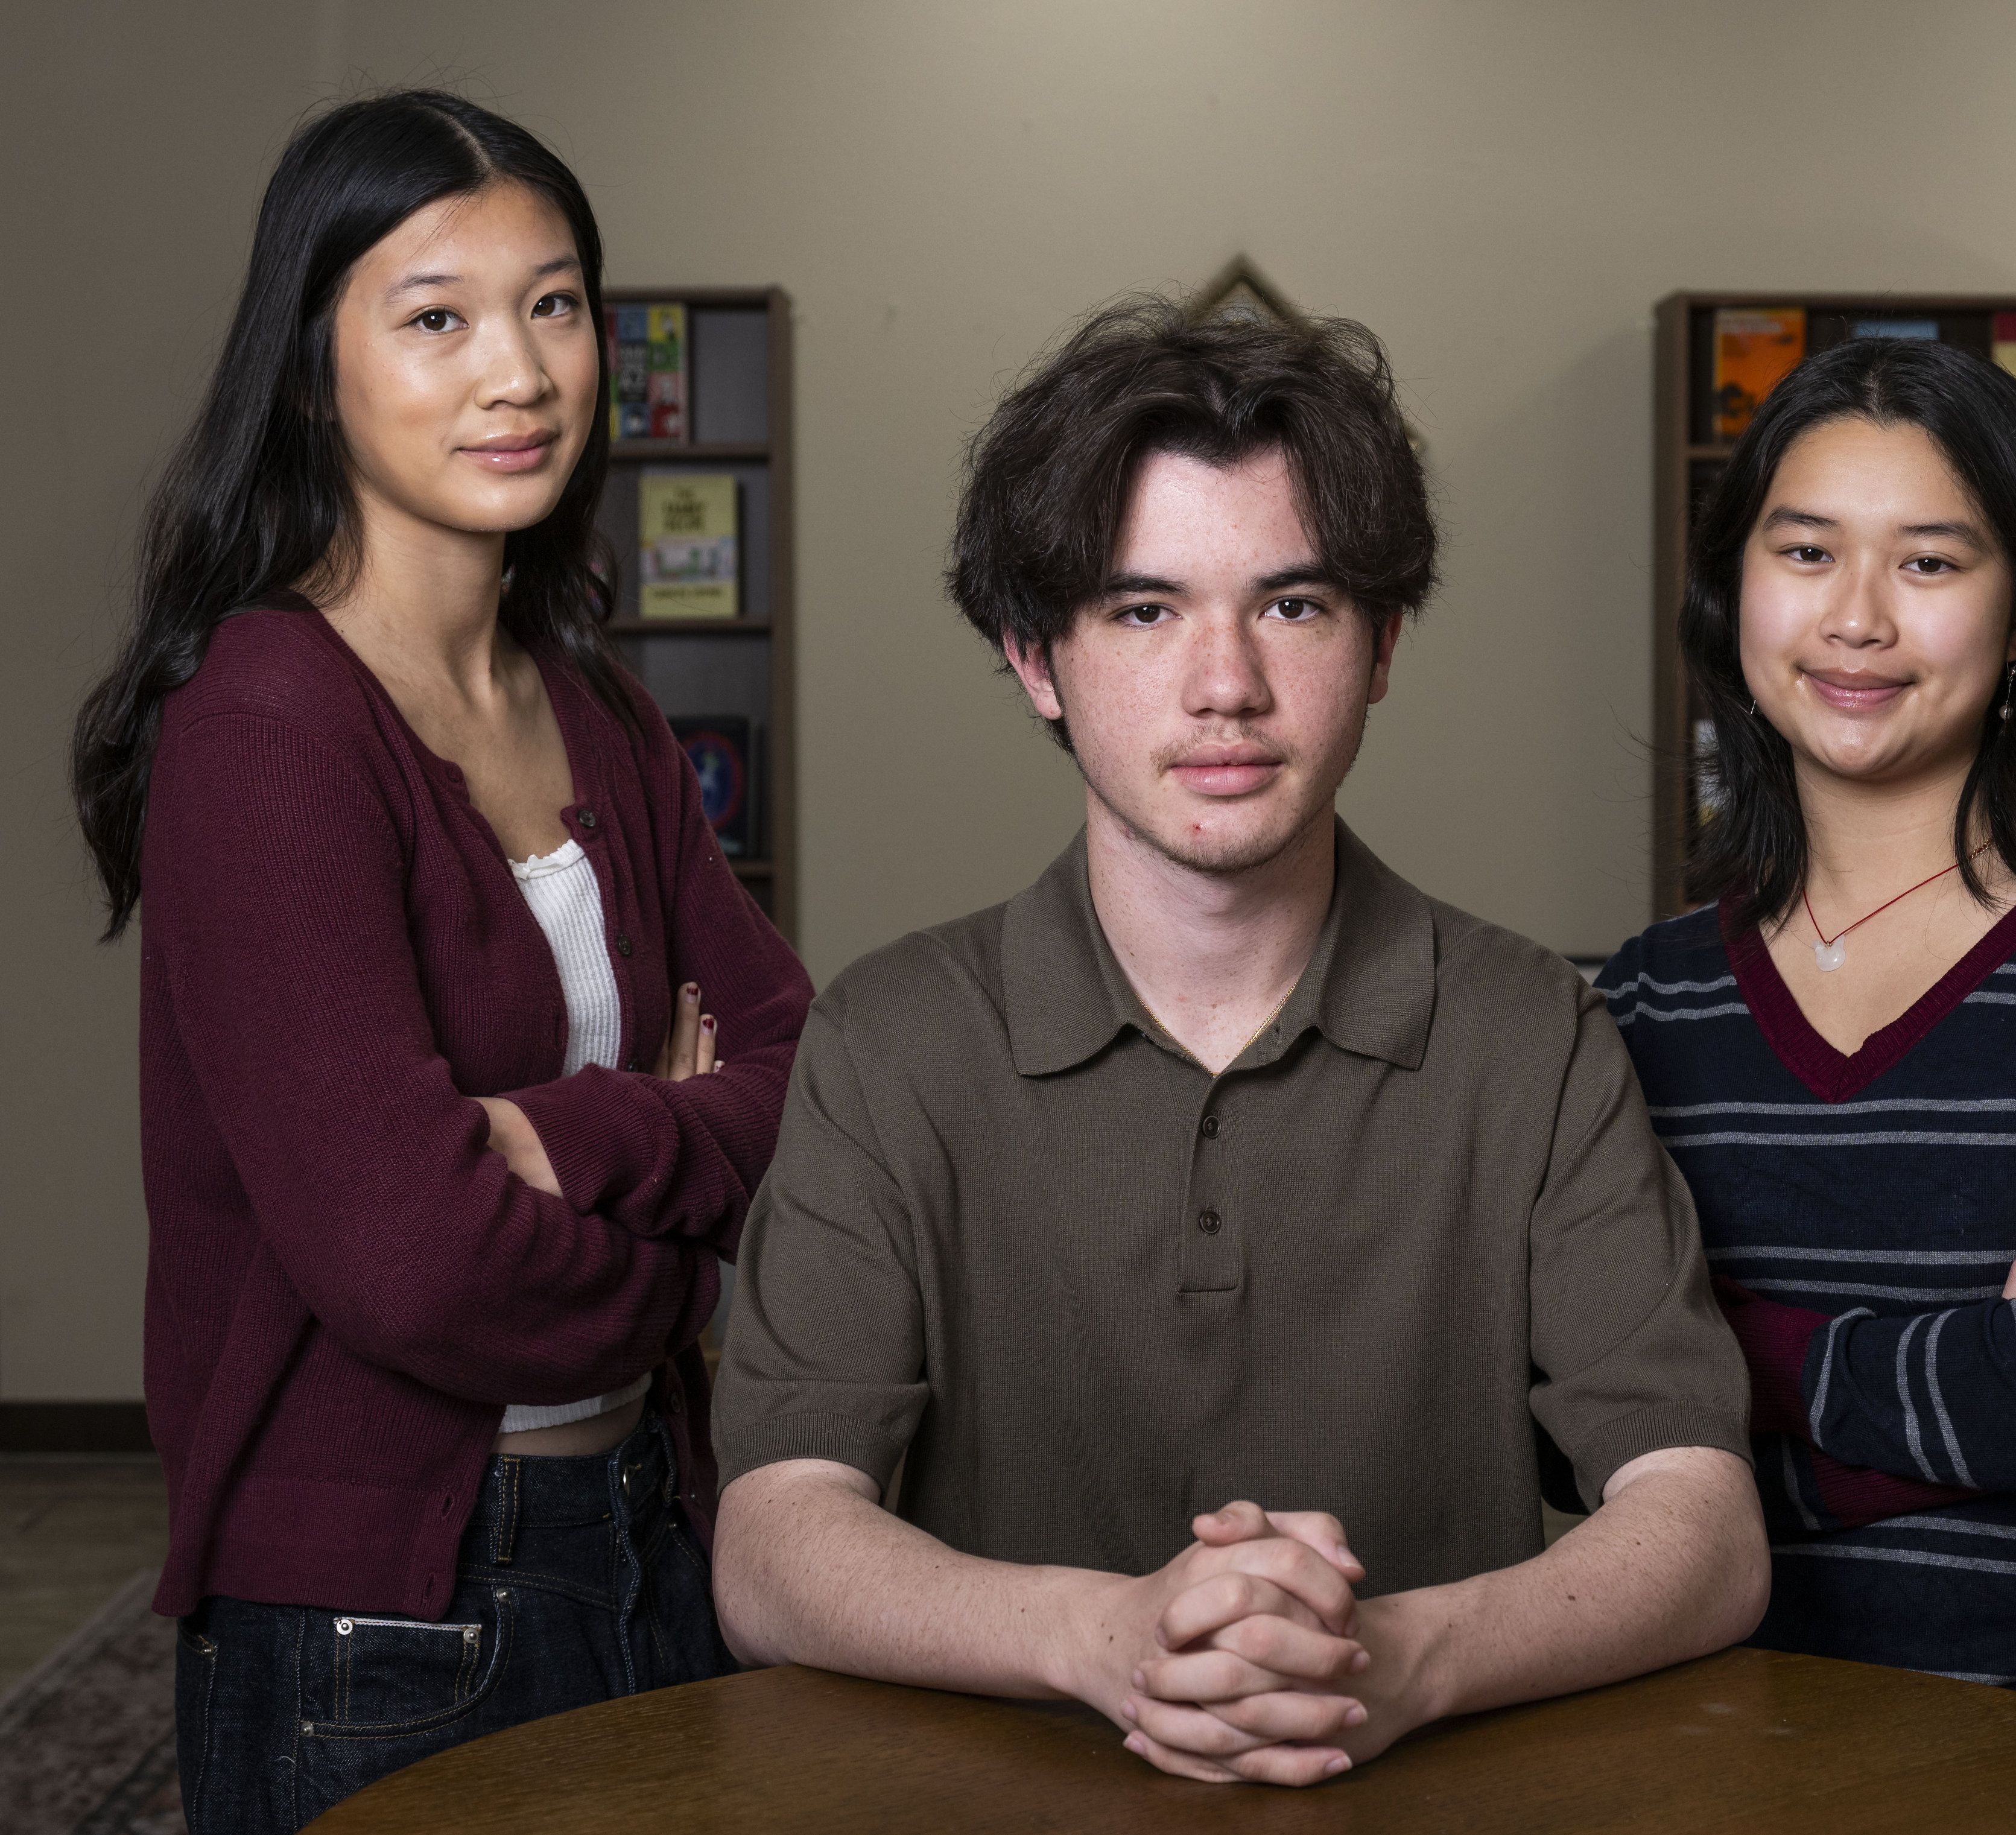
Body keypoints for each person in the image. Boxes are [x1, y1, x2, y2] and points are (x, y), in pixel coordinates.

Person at [710, 300, 1766, 1787]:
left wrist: (1396, 1658)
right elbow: (768, 1545)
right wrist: (1099, 1638)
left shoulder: (1532, 1027)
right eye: (1143, 611)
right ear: (1034, 658)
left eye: (1291, 606)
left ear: (1382, 643)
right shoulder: (890, 1040)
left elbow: (1703, 1530)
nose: (1225, 686)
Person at [68, 93, 812, 1831]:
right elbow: (406, 1261)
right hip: (382, 1615)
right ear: (309, 367)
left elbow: (804, 1072)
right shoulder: (267, 726)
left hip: (652, 1517)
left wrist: (570, 1139)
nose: (521, 371)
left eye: (556, 306)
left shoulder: (602, 711)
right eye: (436, 316)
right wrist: (690, 1252)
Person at [1598, 335, 2016, 1729]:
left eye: (1931, 564)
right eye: (1807, 553)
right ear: (1732, 593)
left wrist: (1713, 1358)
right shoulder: (1640, 1002)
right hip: (1689, 1713)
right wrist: (1954, 1365)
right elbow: (1561, 1415)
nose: (1856, 622)